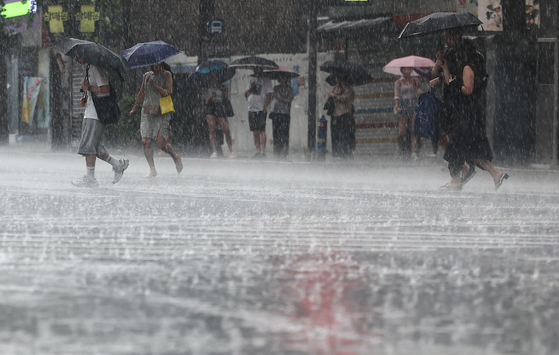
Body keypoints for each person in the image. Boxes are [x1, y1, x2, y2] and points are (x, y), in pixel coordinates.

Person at [437, 37, 508, 191]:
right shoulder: (473, 67)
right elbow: (453, 84)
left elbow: (468, 90)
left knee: (457, 147)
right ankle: (496, 174)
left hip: (466, 115)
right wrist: (445, 69)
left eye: (457, 53)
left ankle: (455, 180)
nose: (455, 55)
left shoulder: (468, 68)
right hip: (470, 114)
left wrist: (458, 85)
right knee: (473, 149)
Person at [72, 59, 129, 188]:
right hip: (91, 111)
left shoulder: (96, 68)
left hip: (95, 114)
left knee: (89, 146)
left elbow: (106, 89)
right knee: (96, 148)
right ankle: (118, 164)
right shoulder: (89, 68)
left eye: (78, 57)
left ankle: (91, 179)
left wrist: (89, 88)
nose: (76, 60)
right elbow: (95, 92)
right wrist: (86, 99)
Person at [130, 62, 183, 178]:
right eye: (150, 65)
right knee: (145, 141)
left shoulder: (167, 74)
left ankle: (175, 156)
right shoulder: (147, 76)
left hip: (162, 112)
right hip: (147, 111)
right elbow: (141, 93)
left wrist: (155, 86)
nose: (152, 67)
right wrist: (135, 108)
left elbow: (169, 92)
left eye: (154, 65)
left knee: (161, 144)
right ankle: (152, 169)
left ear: (159, 64)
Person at [204, 72, 235, 158]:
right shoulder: (208, 88)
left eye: (216, 77)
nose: (215, 79)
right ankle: (214, 151)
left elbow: (226, 98)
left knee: (226, 129)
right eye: (213, 77)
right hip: (211, 107)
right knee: (212, 129)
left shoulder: (223, 87)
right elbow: (207, 101)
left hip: (220, 106)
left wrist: (223, 92)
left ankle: (231, 150)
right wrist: (212, 94)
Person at [244, 67, 273, 158]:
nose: (256, 72)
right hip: (252, 109)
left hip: (260, 109)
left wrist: (265, 106)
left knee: (261, 130)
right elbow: (246, 94)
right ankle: (257, 150)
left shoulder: (266, 80)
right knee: (255, 131)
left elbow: (269, 94)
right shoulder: (252, 80)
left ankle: (262, 151)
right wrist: (251, 88)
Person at [394, 67, 421, 160]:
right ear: (402, 70)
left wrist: (417, 85)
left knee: (414, 130)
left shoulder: (415, 80)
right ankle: (400, 148)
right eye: (405, 69)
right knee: (402, 131)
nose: (407, 71)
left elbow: (420, 91)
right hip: (404, 104)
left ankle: (414, 151)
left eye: (409, 69)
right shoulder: (399, 82)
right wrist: (397, 106)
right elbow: (396, 95)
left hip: (413, 104)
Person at [327, 75, 355, 158]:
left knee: (345, 135)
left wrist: (335, 96)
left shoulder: (348, 88)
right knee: (335, 135)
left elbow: (346, 98)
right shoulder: (335, 88)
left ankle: (346, 152)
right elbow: (330, 97)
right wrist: (331, 96)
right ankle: (336, 152)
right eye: (336, 78)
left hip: (345, 114)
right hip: (335, 114)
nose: (337, 80)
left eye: (339, 78)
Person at [269, 75, 294, 157]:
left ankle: (284, 150)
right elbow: (272, 98)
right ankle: (277, 150)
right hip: (276, 113)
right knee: (276, 132)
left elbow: (289, 100)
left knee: (285, 133)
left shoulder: (289, 89)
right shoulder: (276, 88)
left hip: (285, 113)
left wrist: (279, 97)